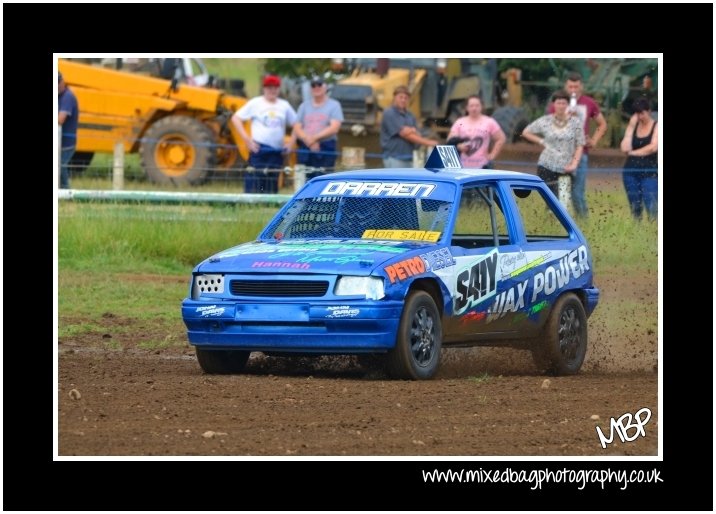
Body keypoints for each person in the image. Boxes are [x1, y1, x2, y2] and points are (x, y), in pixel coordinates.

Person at [547, 72, 607, 217]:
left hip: (581, 154)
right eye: (570, 86)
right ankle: (558, 224)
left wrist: (593, 140)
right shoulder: (557, 103)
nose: (573, 89)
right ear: (565, 86)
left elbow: (602, 124)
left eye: (576, 86)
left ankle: (583, 224)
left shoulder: (589, 102)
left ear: (581, 87)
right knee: (558, 192)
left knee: (577, 193)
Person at [232, 74, 298, 193]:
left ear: (278, 89)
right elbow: (236, 118)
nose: (272, 90)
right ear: (264, 89)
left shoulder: (284, 105)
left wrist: (291, 143)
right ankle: (252, 202)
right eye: (269, 87)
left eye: (275, 88)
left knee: (273, 178)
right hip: (259, 148)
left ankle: (268, 203)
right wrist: (246, 139)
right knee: (256, 177)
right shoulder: (255, 103)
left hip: (277, 150)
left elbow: (297, 124)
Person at [522, 90, 585, 209]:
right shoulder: (546, 120)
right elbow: (526, 132)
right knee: (550, 199)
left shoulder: (575, 123)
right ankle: (550, 223)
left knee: (564, 201)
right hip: (547, 164)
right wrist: (541, 141)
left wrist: (574, 164)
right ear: (553, 104)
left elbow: (580, 144)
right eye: (558, 103)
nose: (561, 106)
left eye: (563, 103)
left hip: (566, 166)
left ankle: (564, 224)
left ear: (567, 105)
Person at [293, 76, 344, 178]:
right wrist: (308, 140)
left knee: (324, 178)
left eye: (319, 85)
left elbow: (334, 127)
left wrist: (314, 139)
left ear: (325, 87)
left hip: (326, 147)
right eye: (313, 85)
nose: (316, 87)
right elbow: (297, 127)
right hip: (305, 147)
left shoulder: (334, 105)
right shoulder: (304, 106)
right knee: (304, 179)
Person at [380, 85, 440, 168]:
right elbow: (405, 134)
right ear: (394, 97)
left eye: (406, 98)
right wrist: (429, 143)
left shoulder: (410, 115)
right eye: (401, 97)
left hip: (409, 158)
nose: (403, 100)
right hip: (394, 158)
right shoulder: (389, 113)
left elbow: (417, 133)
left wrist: (411, 130)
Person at [620, 97, 658, 221]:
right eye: (637, 113)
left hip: (650, 172)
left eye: (642, 113)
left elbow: (653, 147)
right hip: (630, 171)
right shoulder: (634, 125)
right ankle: (637, 230)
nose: (640, 116)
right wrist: (631, 126)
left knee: (651, 204)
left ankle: (655, 231)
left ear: (649, 111)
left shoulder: (657, 126)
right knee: (635, 205)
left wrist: (634, 153)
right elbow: (625, 148)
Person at [446, 95, 506, 169]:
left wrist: (492, 155)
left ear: (482, 107)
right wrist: (458, 146)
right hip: (461, 166)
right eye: (471, 106)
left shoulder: (490, 122)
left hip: (482, 166)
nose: (474, 108)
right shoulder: (459, 122)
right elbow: (450, 140)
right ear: (467, 108)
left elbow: (501, 138)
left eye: (477, 105)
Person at [58, 72, 79, 189]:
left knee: (60, 165)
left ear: (62, 82)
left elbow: (60, 119)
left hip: (66, 142)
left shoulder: (67, 97)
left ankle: (66, 191)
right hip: (59, 141)